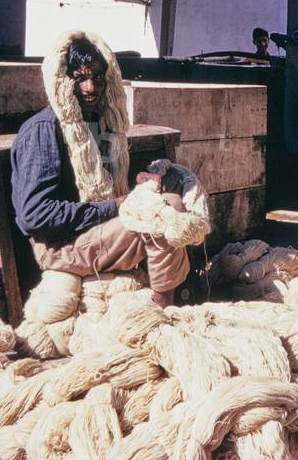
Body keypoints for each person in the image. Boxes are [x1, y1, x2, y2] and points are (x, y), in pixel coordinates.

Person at [10, 30, 190, 307]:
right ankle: (164, 310)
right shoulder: (43, 130)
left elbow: (100, 183)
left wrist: (136, 183)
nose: (91, 88)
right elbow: (34, 216)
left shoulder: (98, 123)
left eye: (96, 78)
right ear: (61, 81)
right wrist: (115, 206)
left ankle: (174, 287)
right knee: (165, 212)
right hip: (62, 246)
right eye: (79, 78)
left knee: (175, 179)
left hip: (96, 230)